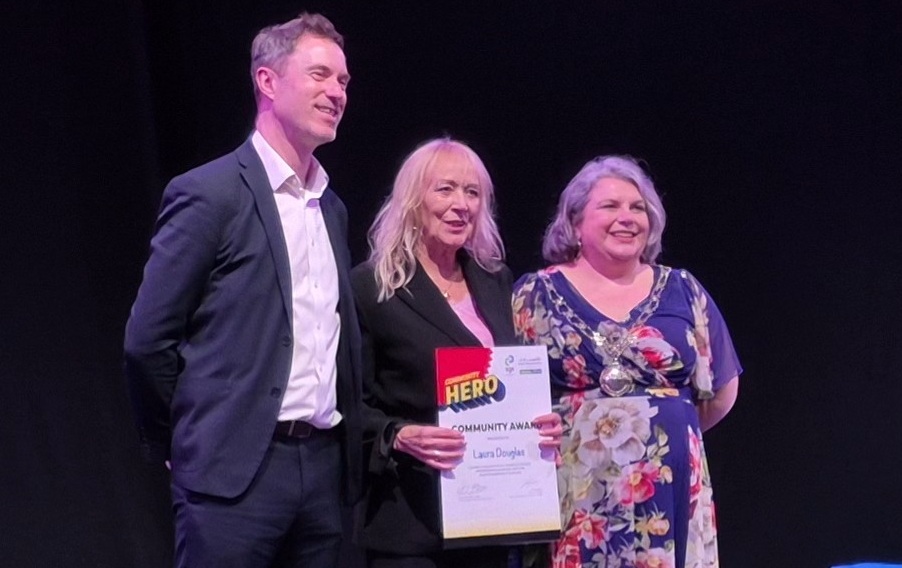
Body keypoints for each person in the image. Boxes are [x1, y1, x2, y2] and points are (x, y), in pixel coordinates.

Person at [123, 13, 362, 568]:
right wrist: (183, 439)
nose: (336, 92)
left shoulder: (332, 208)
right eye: (321, 75)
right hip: (233, 475)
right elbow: (148, 340)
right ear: (268, 81)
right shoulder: (210, 194)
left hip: (322, 472)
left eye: (344, 82)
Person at [512, 155, 741, 568]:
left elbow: (721, 392)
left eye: (638, 208)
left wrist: (662, 429)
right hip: (576, 493)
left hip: (668, 494)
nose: (628, 217)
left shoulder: (683, 290)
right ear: (575, 222)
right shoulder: (534, 295)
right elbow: (506, 396)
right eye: (610, 206)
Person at [350, 138, 562, 568]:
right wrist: (399, 435)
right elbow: (347, 403)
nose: (461, 204)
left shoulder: (496, 280)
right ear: (413, 200)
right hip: (411, 524)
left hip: (493, 523)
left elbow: (512, 381)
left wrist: (540, 422)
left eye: (472, 193)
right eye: (445, 189)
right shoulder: (371, 288)